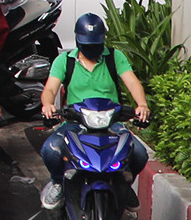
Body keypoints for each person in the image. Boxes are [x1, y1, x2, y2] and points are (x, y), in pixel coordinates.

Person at [38, 12, 150, 209]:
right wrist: (48, 104)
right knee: (51, 150)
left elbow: (132, 82)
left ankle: (124, 184)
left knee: (139, 154)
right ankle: (57, 183)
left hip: (111, 121)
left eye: (96, 45)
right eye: (87, 45)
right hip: (76, 122)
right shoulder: (65, 60)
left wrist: (142, 105)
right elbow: (50, 89)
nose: (92, 49)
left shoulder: (115, 57)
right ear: (78, 41)